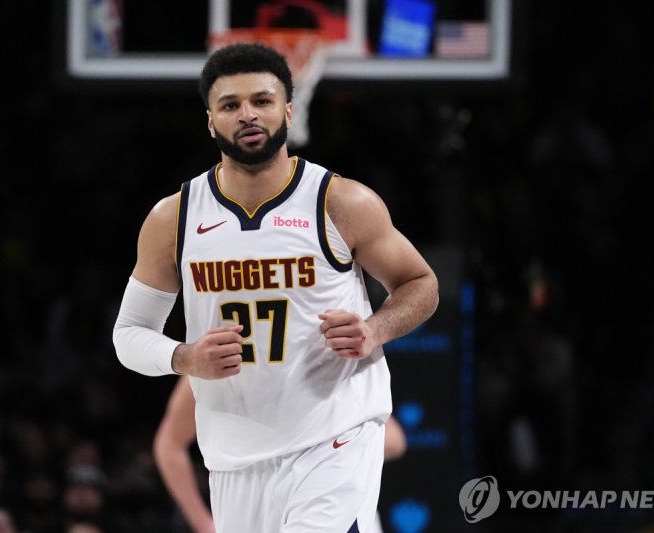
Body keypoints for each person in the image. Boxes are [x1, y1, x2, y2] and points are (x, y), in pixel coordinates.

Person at [113, 42, 439, 532]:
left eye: (262, 101)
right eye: (230, 105)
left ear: (288, 109)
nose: (248, 114)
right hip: (234, 460)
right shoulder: (173, 219)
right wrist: (185, 358)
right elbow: (129, 334)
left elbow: (421, 283)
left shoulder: (340, 201)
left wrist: (376, 329)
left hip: (333, 439)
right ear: (210, 122)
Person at [153, 375, 407, 533]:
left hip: (327, 502)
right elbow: (170, 444)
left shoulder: (324, 350)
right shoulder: (215, 354)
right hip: (247, 505)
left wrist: (325, 446)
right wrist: (204, 524)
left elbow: (394, 440)